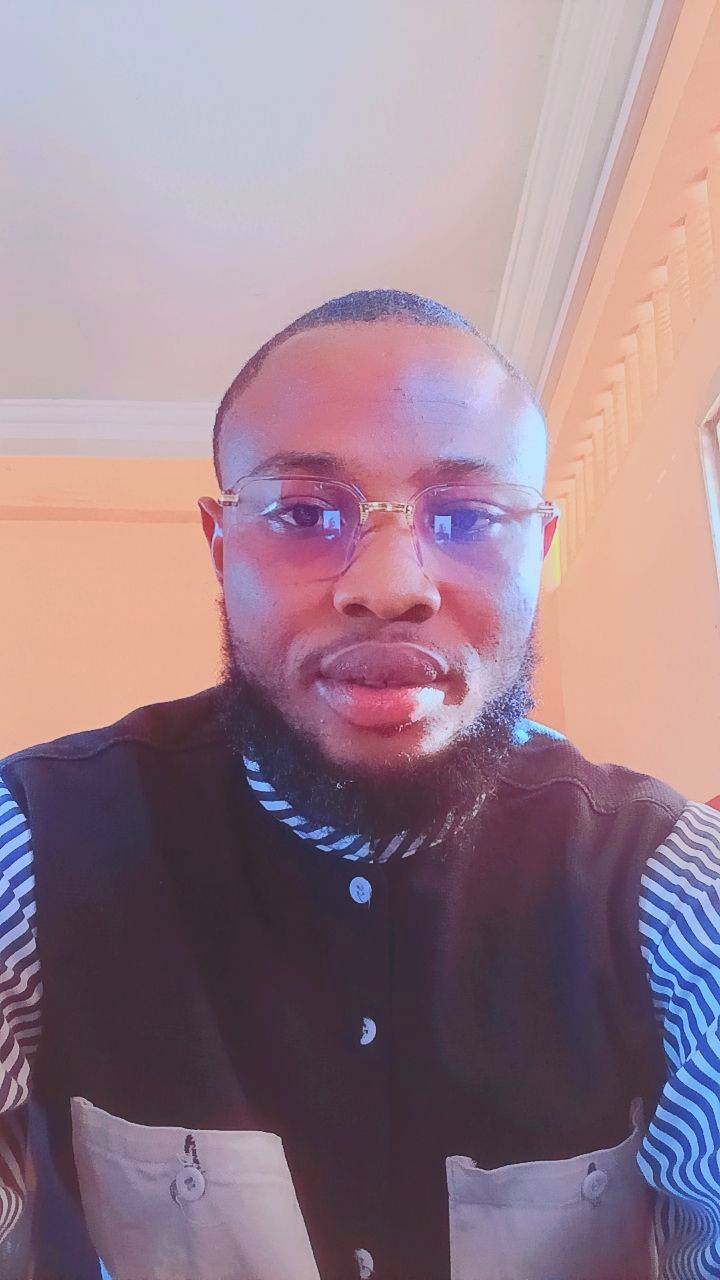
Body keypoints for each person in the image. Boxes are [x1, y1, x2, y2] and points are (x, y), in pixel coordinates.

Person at [0, 289, 719, 1280]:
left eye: (467, 515)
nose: (389, 586)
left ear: (539, 552)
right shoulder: (34, 842)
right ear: (221, 546)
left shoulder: (671, 881)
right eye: (303, 512)